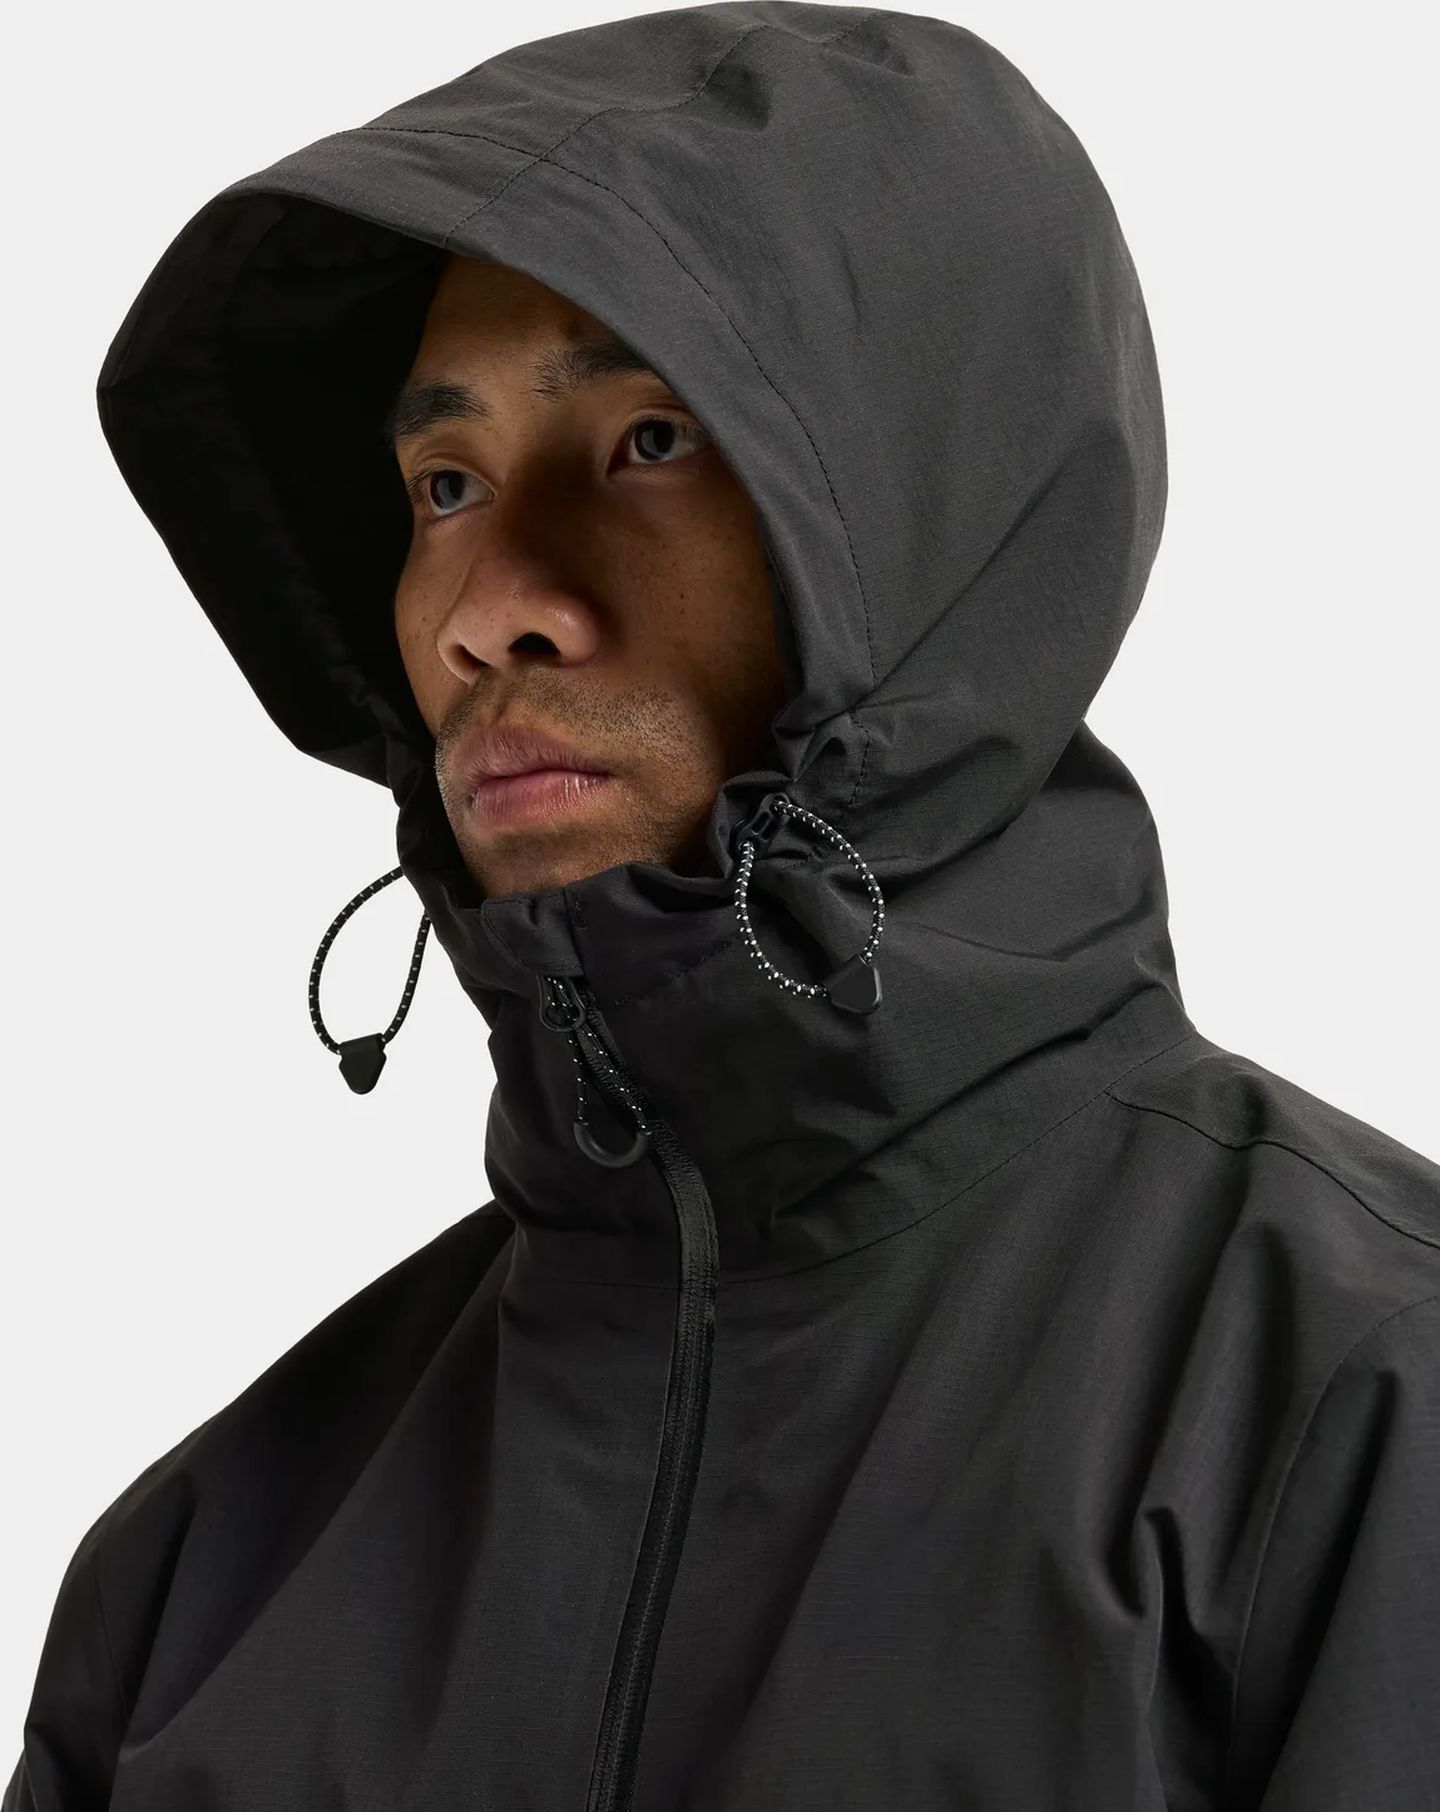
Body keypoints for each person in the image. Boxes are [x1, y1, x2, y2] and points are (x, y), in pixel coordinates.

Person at [7, 3, 1438, 1807]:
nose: (491, 608)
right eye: (444, 485)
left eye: (650, 441)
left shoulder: (1361, 1411)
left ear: (927, 520)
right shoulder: (204, 1575)